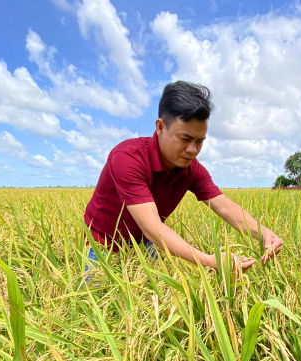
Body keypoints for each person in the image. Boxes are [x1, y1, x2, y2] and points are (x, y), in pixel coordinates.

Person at [84, 80, 283, 271]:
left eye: (199, 141)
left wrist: (264, 233)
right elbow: (151, 225)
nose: (192, 150)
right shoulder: (128, 158)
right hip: (103, 244)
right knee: (96, 300)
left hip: (146, 241)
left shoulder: (192, 169)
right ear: (160, 127)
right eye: (185, 138)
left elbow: (224, 206)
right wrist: (207, 261)